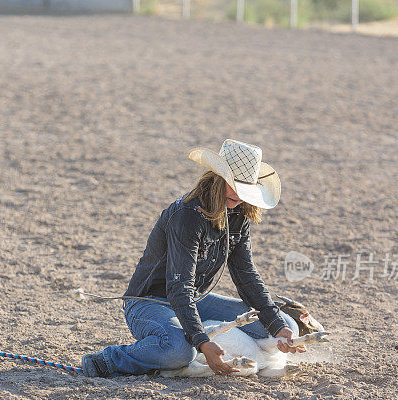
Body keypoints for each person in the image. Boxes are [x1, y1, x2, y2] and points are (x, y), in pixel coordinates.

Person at [81, 139, 305, 378]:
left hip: (196, 299)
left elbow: (247, 276)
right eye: (235, 186)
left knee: (286, 325)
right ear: (217, 178)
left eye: (245, 189)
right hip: (149, 301)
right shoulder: (186, 216)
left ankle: (202, 349)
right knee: (179, 351)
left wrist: (277, 327)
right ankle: (109, 360)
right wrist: (201, 341)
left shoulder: (238, 214)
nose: (240, 196)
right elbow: (179, 286)